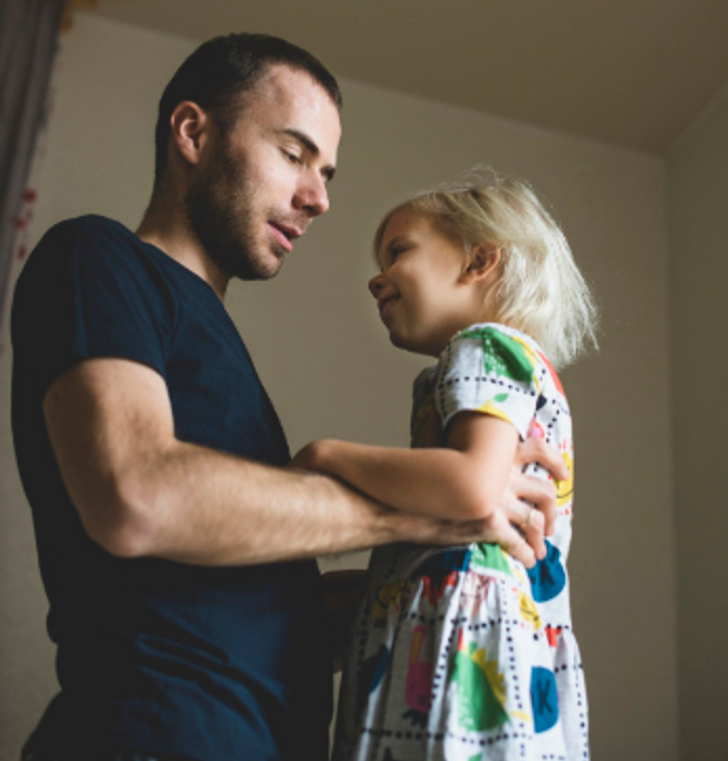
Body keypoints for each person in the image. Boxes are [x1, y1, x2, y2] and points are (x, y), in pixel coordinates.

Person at [11, 33, 567, 761]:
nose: (320, 198)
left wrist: (468, 553)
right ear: (193, 133)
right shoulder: (99, 258)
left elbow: (267, 610)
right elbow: (136, 495)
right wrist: (427, 509)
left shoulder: (222, 353)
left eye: (325, 171)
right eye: (293, 154)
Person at [291, 173, 597, 761]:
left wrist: (322, 455)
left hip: (460, 651)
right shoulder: (494, 363)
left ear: (480, 260)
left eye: (398, 251)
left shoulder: (483, 346)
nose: (377, 276)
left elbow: (473, 487)